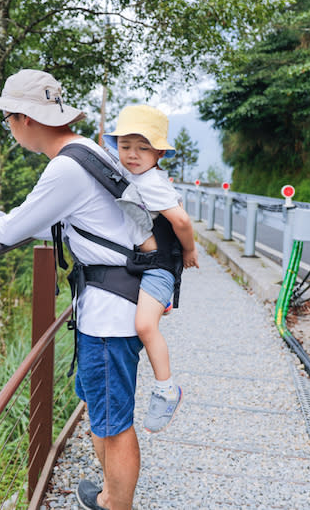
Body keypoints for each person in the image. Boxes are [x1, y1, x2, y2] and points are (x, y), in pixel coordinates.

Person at [0, 69, 144, 510]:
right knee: (104, 411)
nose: (9, 128)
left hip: (109, 311)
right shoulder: (86, 150)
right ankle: (109, 496)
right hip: (115, 301)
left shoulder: (65, 167)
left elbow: (17, 229)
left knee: (114, 422)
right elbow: (48, 222)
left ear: (25, 119)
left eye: (8, 120)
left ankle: (117, 505)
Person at [104, 105, 199, 433]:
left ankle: (166, 389)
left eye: (143, 147)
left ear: (159, 151)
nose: (132, 154)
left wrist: (189, 251)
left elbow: (182, 220)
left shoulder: (152, 182)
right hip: (143, 264)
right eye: (125, 146)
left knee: (145, 326)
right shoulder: (133, 174)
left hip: (158, 266)